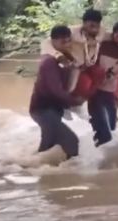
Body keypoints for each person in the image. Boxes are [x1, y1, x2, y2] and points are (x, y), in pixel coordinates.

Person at [40, 9, 118, 119]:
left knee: (100, 74)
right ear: (83, 24)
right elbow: (46, 42)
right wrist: (58, 55)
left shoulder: (101, 33)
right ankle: (61, 106)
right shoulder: (72, 32)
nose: (94, 29)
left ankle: (79, 105)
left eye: (97, 25)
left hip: (89, 65)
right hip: (73, 66)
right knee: (75, 84)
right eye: (91, 25)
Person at [30, 25, 84, 159]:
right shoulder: (48, 62)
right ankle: (73, 176)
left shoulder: (67, 59)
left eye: (68, 41)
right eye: (62, 41)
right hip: (43, 110)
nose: (67, 44)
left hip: (53, 110)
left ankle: (28, 170)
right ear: (53, 42)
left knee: (48, 145)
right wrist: (74, 101)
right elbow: (56, 91)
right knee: (72, 142)